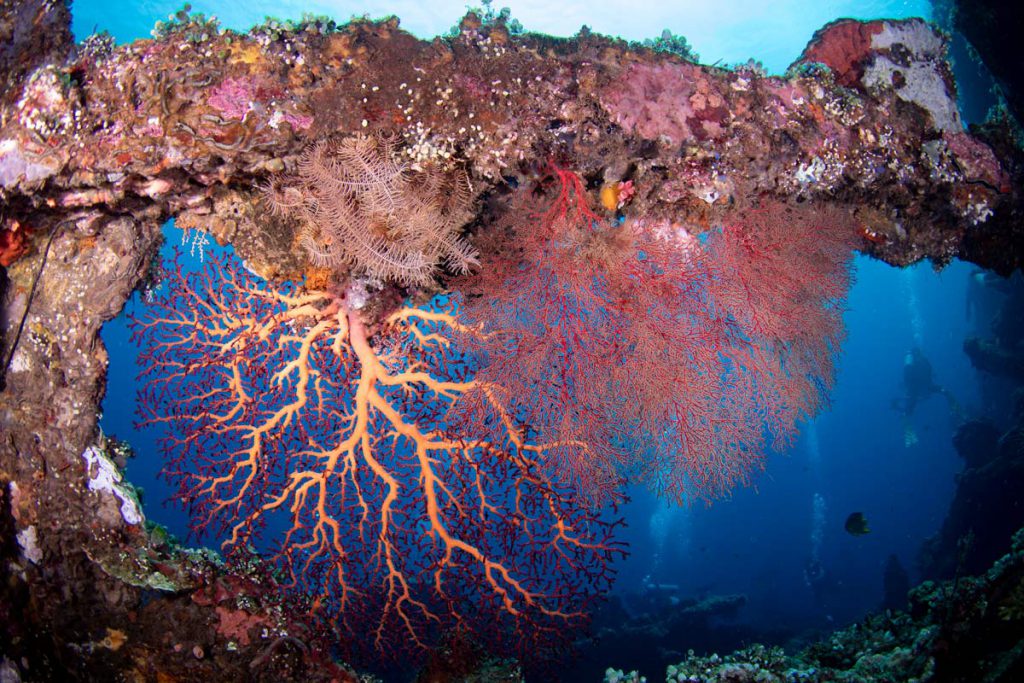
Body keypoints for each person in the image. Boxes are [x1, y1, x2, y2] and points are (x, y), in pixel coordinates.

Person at [895, 347, 961, 446]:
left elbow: (907, 379)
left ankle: (906, 423)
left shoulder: (912, 363)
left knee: (909, 409)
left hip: (915, 389)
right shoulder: (924, 360)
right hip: (926, 386)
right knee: (944, 390)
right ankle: (953, 405)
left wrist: (909, 389)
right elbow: (930, 373)